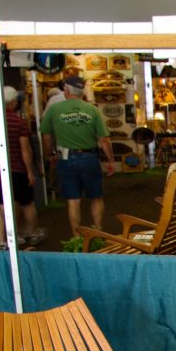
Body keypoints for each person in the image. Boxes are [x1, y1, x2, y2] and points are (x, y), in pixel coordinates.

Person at [40, 75, 115, 233]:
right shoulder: (92, 110)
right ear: (82, 92)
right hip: (89, 157)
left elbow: (46, 136)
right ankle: (98, 231)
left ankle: (76, 236)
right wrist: (111, 160)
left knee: (73, 200)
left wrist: (50, 154)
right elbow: (104, 139)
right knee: (96, 196)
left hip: (66, 157)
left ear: (66, 90)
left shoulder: (54, 109)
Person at [0, 86, 44, 248]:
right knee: (26, 202)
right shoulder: (18, 122)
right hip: (17, 168)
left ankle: (2, 240)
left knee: (1, 205)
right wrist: (29, 172)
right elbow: (25, 149)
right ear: (13, 102)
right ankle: (31, 233)